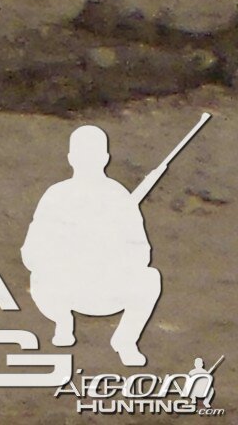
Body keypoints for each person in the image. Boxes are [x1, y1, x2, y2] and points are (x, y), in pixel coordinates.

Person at [25, 123, 167, 367]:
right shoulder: (56, 195)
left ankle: (125, 340)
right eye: (82, 155)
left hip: (106, 289)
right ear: (71, 158)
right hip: (64, 288)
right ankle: (63, 322)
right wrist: (67, 253)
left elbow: (141, 251)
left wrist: (110, 253)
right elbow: (31, 251)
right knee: (39, 276)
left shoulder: (119, 196)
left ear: (105, 158)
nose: (87, 161)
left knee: (150, 278)